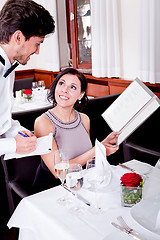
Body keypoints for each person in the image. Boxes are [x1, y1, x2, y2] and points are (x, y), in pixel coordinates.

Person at [32, 68, 120, 192]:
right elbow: (58, 173)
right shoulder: (43, 123)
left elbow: (85, 154)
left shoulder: (84, 119)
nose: (64, 90)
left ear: (81, 94)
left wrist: (104, 146)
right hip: (51, 189)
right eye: (61, 83)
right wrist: (97, 150)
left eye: (72, 87)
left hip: (79, 185)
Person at [0, 0, 55, 156]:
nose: (37, 51)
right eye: (37, 43)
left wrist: (22, 133)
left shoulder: (9, 67)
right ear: (18, 37)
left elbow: (3, 123)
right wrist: (13, 145)